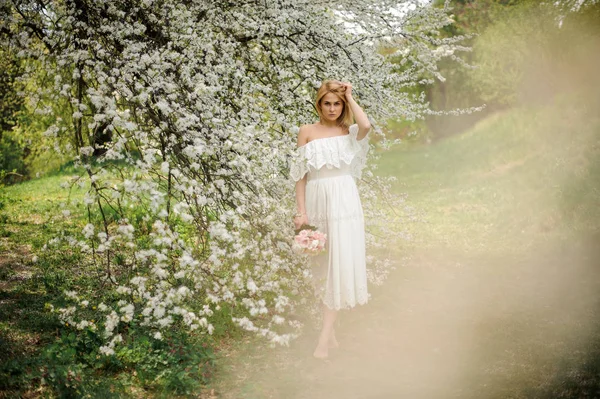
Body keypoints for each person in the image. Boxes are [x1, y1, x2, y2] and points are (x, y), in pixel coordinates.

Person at [290, 80, 371, 359]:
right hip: (317, 200)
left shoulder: (347, 132)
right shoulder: (306, 132)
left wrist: (350, 94)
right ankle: (331, 332)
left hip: (345, 203)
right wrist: (301, 212)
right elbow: (300, 177)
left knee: (338, 265)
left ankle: (323, 339)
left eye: (338, 104)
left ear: (343, 105)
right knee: (321, 265)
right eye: (328, 103)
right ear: (319, 104)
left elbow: (367, 126)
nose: (333, 108)